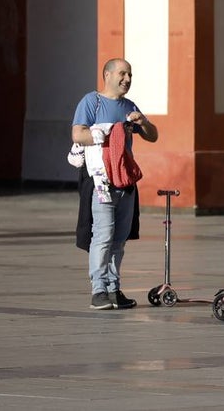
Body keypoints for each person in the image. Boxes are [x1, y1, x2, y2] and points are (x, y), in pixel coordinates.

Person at [72, 58, 158, 311]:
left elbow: (153, 136)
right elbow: (78, 134)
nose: (127, 79)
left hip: (125, 180)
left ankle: (113, 287)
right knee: (103, 235)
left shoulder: (130, 106)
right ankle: (98, 290)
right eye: (122, 73)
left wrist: (142, 122)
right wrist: (105, 132)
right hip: (101, 180)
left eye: (130, 74)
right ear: (107, 75)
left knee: (119, 239)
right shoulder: (91, 101)